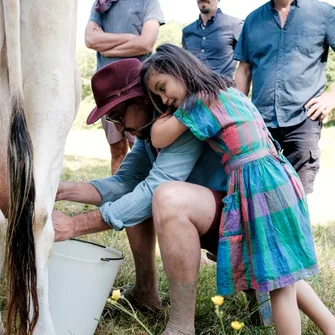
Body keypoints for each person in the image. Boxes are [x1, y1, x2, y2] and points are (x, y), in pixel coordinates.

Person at [140, 43, 335, 335]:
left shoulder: (199, 102)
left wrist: (167, 114)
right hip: (279, 177)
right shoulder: (225, 89)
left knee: (279, 287)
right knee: (285, 272)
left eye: (162, 87)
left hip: (260, 185)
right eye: (158, 96)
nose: (165, 99)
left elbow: (158, 138)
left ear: (178, 70)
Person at [53, 58, 229, 335]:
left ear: (143, 100)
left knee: (166, 198)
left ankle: (182, 326)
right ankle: (145, 293)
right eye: (113, 120)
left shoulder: (182, 123)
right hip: (213, 214)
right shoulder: (150, 132)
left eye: (119, 115)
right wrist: (60, 190)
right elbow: (125, 183)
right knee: (138, 197)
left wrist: (75, 226)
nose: (120, 128)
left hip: (243, 220)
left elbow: (152, 191)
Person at [234, 0, 335, 194]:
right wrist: (238, 112)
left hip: (304, 117)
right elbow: (244, 70)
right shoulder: (253, 20)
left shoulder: (324, 13)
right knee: (262, 192)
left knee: (298, 193)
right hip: (261, 122)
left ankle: (297, 224)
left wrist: (331, 97)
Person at [85, 0, 164, 174]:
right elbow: (90, 40)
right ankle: (118, 193)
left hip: (136, 92)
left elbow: (146, 44)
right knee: (116, 150)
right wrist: (130, 38)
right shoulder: (101, 4)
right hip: (108, 94)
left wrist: (106, 48)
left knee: (141, 148)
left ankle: (144, 194)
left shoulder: (148, 3)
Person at [182, 0, 243, 79]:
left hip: (223, 89)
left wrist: (239, 91)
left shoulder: (235, 25)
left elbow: (246, 65)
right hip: (193, 89)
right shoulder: (187, 31)